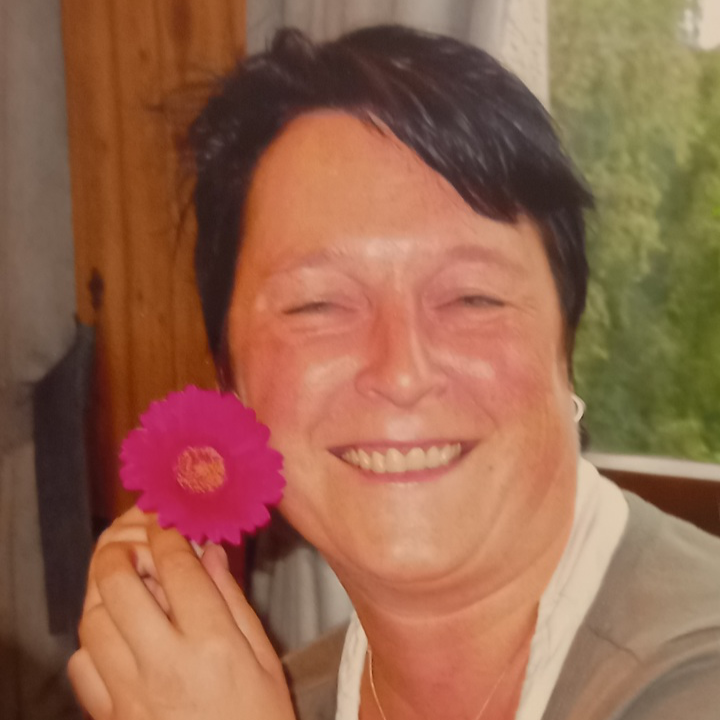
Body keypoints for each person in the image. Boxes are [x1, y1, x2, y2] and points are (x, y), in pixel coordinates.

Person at [67, 25, 720, 720]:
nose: (402, 372)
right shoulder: (272, 696)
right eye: (317, 305)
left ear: (566, 344)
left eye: (473, 298)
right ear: (231, 380)